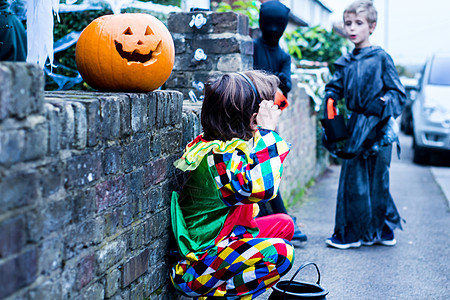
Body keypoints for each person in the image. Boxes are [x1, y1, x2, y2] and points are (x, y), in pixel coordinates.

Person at [170, 70, 295, 299]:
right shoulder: (217, 159)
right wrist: (266, 132)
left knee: (284, 224)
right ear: (250, 117)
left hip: (225, 245)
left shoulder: (221, 146)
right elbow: (263, 189)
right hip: (198, 267)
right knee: (281, 253)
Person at [323, 0, 406, 249]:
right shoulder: (345, 61)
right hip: (355, 126)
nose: (352, 28)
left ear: (372, 26)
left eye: (359, 23)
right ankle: (350, 233)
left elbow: (398, 93)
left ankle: (382, 230)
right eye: (348, 23)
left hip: (380, 127)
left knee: (377, 180)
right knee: (351, 179)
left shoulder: (381, 58)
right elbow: (334, 87)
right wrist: (329, 100)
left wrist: (382, 104)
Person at [253, 0, 307, 243]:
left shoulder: (283, 55)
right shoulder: (252, 48)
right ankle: (278, 221)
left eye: (279, 25)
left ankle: (280, 220)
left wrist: (273, 81)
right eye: (269, 24)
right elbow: (253, 79)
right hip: (250, 119)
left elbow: (288, 87)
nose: (274, 29)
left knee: (267, 170)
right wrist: (277, 80)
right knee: (258, 171)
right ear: (262, 23)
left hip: (270, 120)